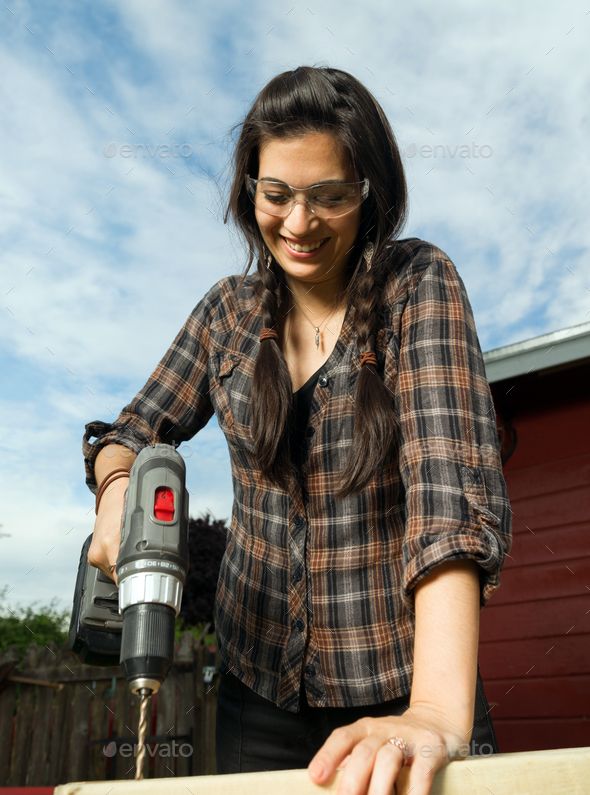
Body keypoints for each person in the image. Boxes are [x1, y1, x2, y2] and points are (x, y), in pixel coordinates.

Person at [83, 66, 512, 795]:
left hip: (399, 691)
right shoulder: (227, 314)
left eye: (331, 196)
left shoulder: (417, 286)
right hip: (255, 697)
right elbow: (129, 427)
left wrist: (437, 711)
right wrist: (117, 485)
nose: (299, 223)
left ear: (371, 191)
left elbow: (449, 501)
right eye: (276, 193)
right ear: (249, 186)